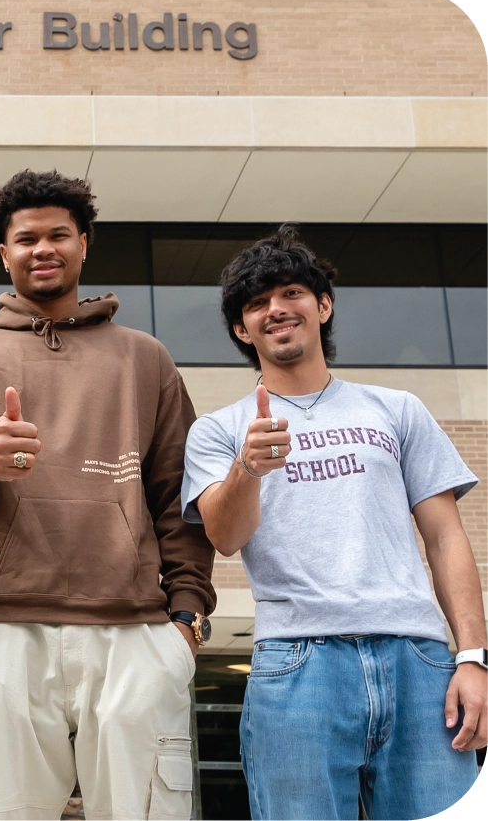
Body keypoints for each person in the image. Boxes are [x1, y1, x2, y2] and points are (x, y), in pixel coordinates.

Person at [0, 169, 216, 821]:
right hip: (4, 631)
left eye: (59, 234)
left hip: (136, 630)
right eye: (26, 238)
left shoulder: (147, 360)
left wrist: (188, 617)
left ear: (84, 242)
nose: (43, 248)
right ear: (4, 253)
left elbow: (177, 496)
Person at [181, 223, 487, 820]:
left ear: (322, 305)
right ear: (243, 329)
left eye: (291, 292)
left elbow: (446, 537)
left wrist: (472, 657)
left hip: (419, 662)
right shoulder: (219, 430)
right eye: (256, 303)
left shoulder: (397, 409)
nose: (276, 309)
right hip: (298, 665)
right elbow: (223, 537)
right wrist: (249, 468)